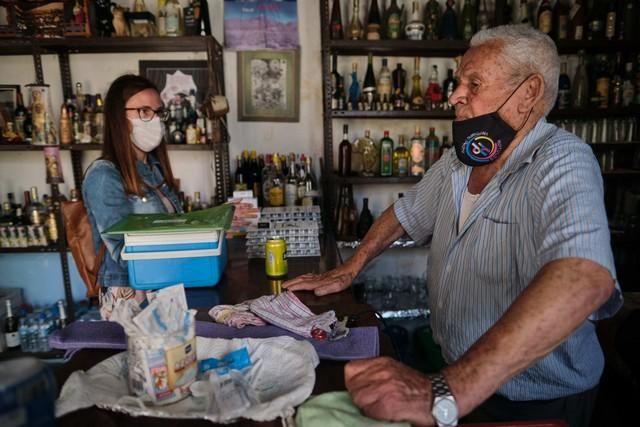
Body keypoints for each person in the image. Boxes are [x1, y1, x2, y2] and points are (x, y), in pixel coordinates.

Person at [284, 25, 623, 427]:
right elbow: (404, 213)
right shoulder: (459, 162)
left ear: (528, 93)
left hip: (534, 402)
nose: (455, 95)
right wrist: (350, 267)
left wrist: (448, 390)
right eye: (458, 82)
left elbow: (586, 277)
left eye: (474, 83)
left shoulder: (563, 160)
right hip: (459, 383)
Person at [83, 74, 182, 320]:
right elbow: (122, 251)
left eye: (158, 112)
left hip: (165, 286)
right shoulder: (104, 175)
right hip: (131, 294)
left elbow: (175, 228)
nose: (155, 120)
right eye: (144, 111)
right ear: (119, 118)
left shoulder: (154, 168)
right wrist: (185, 252)